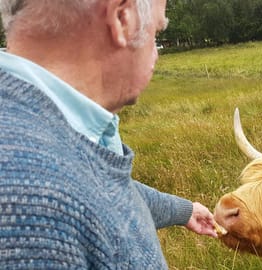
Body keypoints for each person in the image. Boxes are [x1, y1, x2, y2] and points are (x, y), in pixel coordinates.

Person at [0, 0, 218, 269]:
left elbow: (100, 190)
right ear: (123, 17)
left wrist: (184, 211)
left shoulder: (45, 137)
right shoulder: (32, 215)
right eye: (156, 32)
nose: (156, 53)